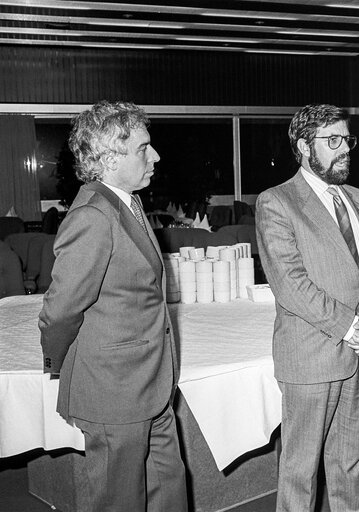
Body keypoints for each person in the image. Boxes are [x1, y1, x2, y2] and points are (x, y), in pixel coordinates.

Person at [39, 101, 187, 511]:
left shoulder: (127, 202)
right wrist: (61, 362)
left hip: (150, 382)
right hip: (114, 391)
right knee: (118, 501)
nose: (154, 156)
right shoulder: (92, 216)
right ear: (108, 158)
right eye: (143, 148)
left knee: (169, 489)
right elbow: (60, 311)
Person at [255, 104, 359, 511]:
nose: (344, 149)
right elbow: (291, 286)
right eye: (332, 141)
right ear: (303, 146)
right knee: (300, 471)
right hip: (312, 356)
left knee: (351, 463)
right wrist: (353, 326)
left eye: (346, 140)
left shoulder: (357, 198)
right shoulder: (277, 202)